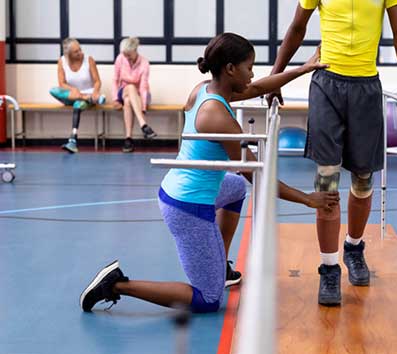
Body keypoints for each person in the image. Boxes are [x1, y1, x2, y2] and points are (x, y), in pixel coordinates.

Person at [80, 33, 339, 314]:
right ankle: (116, 285)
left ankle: (220, 265)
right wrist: (307, 199)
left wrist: (303, 69)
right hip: (188, 207)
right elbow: (255, 173)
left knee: (235, 188)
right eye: (249, 67)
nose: (252, 74)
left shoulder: (205, 88)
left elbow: (256, 88)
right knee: (208, 299)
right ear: (230, 69)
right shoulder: (217, 117)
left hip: (180, 187)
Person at [268, 0, 397, 306]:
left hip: (366, 88)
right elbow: (297, 27)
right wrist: (275, 78)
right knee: (327, 179)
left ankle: (354, 248)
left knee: (363, 179)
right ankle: (329, 268)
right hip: (326, 84)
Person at [49, 38, 105, 153]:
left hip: (86, 97)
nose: (80, 52)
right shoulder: (62, 61)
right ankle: (84, 97)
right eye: (76, 51)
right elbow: (62, 84)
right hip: (70, 96)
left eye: (80, 49)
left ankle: (73, 139)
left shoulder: (89, 60)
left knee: (78, 105)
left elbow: (97, 81)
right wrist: (74, 91)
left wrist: (94, 92)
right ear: (68, 54)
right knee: (53, 90)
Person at [112, 37, 157, 153]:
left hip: (141, 95)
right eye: (125, 55)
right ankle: (144, 125)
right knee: (130, 88)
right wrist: (115, 99)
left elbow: (143, 87)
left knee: (128, 101)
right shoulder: (120, 59)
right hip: (124, 91)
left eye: (129, 55)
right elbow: (115, 80)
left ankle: (128, 139)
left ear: (135, 50)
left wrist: (143, 108)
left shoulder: (144, 63)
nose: (126, 57)